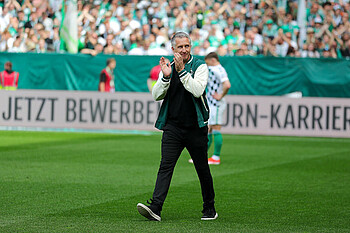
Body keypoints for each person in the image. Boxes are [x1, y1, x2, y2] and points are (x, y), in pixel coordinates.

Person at [137, 31, 217, 221]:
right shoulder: (168, 67)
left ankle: (209, 208)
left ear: (191, 46)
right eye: (180, 47)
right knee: (165, 166)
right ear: (173, 49)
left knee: (202, 168)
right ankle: (155, 208)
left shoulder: (200, 66)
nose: (184, 50)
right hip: (173, 127)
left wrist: (181, 72)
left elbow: (198, 90)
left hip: (195, 128)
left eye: (187, 46)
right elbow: (156, 95)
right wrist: (165, 77)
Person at [203, 52, 231, 165]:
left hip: (216, 104)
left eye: (207, 62)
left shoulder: (218, 70)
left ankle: (216, 157)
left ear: (213, 60)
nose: (207, 65)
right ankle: (202, 156)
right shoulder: (215, 70)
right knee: (209, 129)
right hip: (212, 103)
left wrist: (220, 96)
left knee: (215, 128)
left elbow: (227, 85)